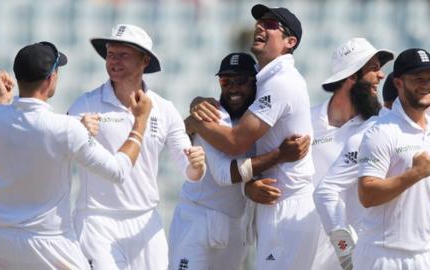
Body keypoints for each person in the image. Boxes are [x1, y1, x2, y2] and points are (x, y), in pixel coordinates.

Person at [0, 41, 152, 269]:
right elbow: (118, 171)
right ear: (50, 78)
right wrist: (140, 122)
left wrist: (0, 102)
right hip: (50, 244)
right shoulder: (67, 129)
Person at [185, 4, 319, 269]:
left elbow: (236, 142)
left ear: (290, 42)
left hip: (286, 205)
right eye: (260, 22)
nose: (260, 26)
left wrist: (196, 122)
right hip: (276, 202)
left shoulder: (280, 81)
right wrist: (197, 104)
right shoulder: (267, 79)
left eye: (271, 25)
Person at [68, 24, 206, 269]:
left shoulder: (165, 109)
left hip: (146, 222)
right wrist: (76, 129)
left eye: (123, 55)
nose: (114, 61)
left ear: (145, 60)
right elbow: (60, 151)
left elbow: (190, 170)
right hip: (96, 221)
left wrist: (197, 166)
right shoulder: (85, 104)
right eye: (110, 54)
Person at [169, 52, 310, 270]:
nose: (233, 88)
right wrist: (280, 155)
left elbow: (251, 172)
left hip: (236, 226)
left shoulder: (259, 123)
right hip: (197, 220)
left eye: (241, 81)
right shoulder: (211, 117)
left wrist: (249, 187)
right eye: (226, 81)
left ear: (256, 83)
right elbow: (225, 174)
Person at [354, 48, 430, 269]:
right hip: (383, 256)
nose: (426, 85)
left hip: (428, 256)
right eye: (418, 79)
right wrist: (414, 174)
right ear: (398, 83)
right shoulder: (381, 131)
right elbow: (367, 195)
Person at [310, 37, 393, 270]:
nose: (381, 76)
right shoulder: (305, 121)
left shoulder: (379, 129)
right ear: (351, 76)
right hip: (307, 252)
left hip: (359, 257)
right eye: (374, 69)